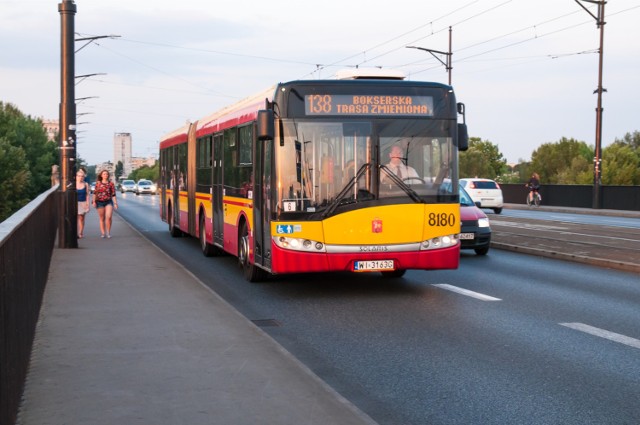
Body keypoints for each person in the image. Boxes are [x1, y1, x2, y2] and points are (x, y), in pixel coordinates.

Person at [92, 169, 118, 238]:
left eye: (106, 174)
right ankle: (103, 233)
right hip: (99, 202)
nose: (105, 175)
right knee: (102, 218)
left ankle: (108, 232)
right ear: (101, 175)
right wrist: (94, 201)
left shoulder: (111, 184)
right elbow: (94, 193)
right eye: (104, 174)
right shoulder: (98, 183)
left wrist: (115, 203)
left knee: (109, 217)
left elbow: (113, 194)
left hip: (108, 201)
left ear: (108, 175)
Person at [76, 169, 90, 238]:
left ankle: (80, 232)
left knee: (81, 218)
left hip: (83, 202)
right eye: (79, 176)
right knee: (76, 217)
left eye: (82, 176)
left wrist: (88, 204)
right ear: (76, 176)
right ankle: (76, 232)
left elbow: (87, 195)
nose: (80, 177)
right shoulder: (73, 184)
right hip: (75, 202)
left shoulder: (85, 184)